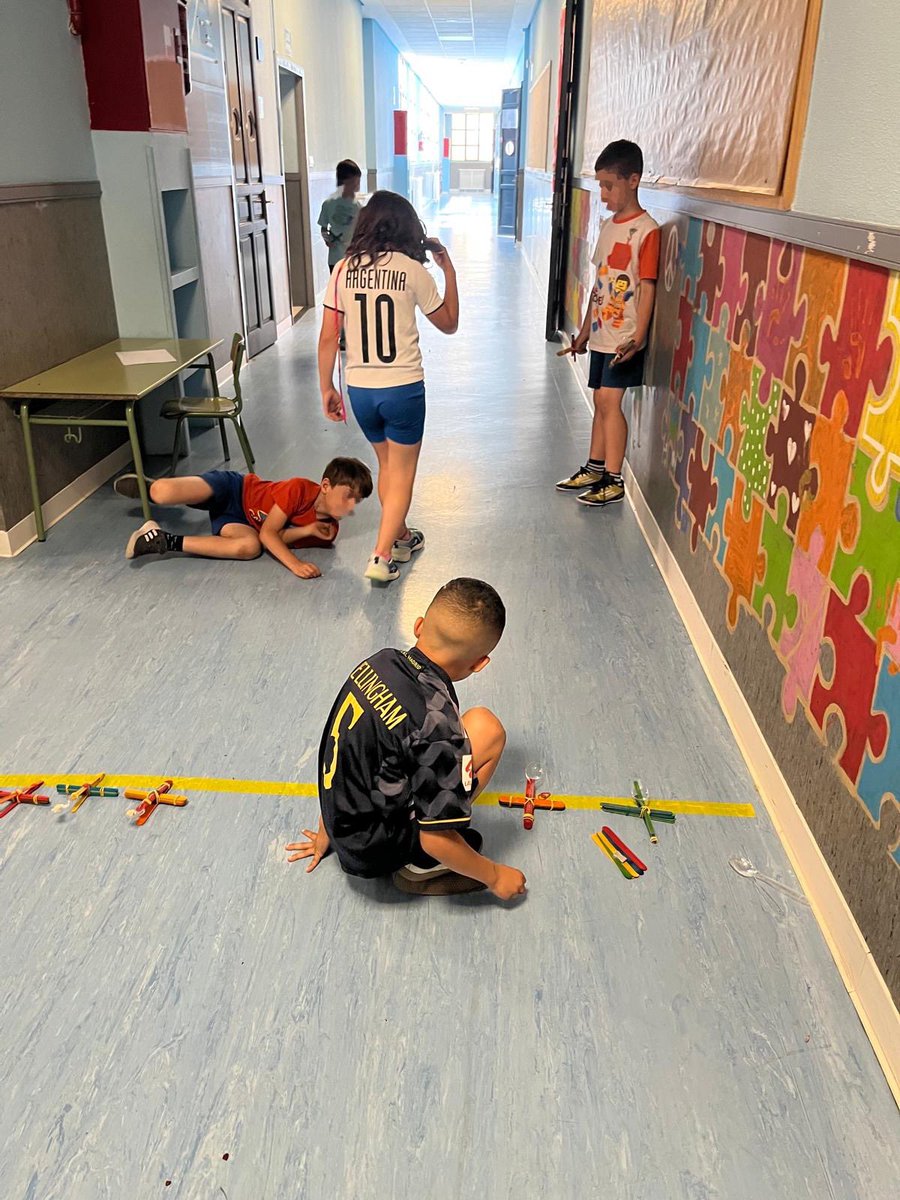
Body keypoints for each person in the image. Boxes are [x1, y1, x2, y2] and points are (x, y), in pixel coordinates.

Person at [285, 578, 527, 900]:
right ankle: (421, 867)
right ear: (479, 664)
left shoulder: (378, 662)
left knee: (473, 726)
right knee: (490, 733)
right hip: (376, 850)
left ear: (418, 626)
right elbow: (435, 839)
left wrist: (331, 825)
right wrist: (495, 876)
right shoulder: (436, 724)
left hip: (343, 822)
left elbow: (350, 749)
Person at [318, 190, 459, 584]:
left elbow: (329, 336)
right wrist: (448, 270)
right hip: (403, 388)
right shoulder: (413, 271)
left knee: (387, 467)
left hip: (360, 389)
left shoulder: (344, 269)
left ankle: (401, 537)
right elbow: (449, 323)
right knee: (404, 471)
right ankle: (381, 557)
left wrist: (326, 386)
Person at [556, 140, 660, 507]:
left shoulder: (647, 231)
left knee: (608, 401)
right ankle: (594, 467)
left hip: (624, 339)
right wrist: (585, 330)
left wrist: (639, 335)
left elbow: (647, 289)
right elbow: (599, 286)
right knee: (600, 401)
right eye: (600, 185)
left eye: (609, 185)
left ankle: (615, 479)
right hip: (601, 334)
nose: (603, 194)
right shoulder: (607, 226)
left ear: (634, 180)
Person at [123, 457, 372, 580]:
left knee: (250, 547)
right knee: (162, 492)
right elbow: (269, 532)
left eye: (357, 501)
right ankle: (152, 490)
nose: (351, 506)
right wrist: (295, 565)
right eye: (348, 496)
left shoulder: (329, 529)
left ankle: (160, 540)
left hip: (242, 521)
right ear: (326, 485)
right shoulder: (299, 489)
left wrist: (307, 531)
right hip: (234, 489)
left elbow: (272, 538)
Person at [317, 159, 363, 272]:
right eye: (354, 183)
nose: (357, 186)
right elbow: (323, 227)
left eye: (358, 182)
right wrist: (327, 239)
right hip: (335, 258)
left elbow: (362, 231)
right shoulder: (328, 204)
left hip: (354, 258)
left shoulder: (358, 207)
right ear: (343, 182)